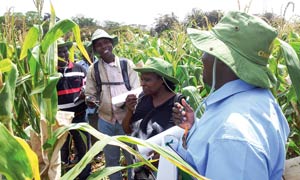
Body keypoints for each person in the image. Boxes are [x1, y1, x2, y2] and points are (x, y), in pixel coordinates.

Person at [172, 11, 291, 180]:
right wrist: (195, 127)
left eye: (207, 50)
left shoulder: (233, 137)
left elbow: (229, 144)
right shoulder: (261, 99)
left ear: (222, 59)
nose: (202, 57)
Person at [85, 29, 140, 180]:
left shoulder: (126, 65)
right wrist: (90, 100)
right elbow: (90, 92)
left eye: (106, 42)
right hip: (105, 120)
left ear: (112, 44)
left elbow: (137, 90)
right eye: (99, 44)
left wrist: (130, 102)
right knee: (111, 160)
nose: (103, 46)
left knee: (132, 158)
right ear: (95, 49)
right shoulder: (94, 69)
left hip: (127, 119)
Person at [123, 57, 180, 179]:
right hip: (139, 167)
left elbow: (184, 139)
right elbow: (128, 130)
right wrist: (129, 110)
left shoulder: (178, 104)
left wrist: (160, 157)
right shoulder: (143, 98)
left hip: (164, 170)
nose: (142, 83)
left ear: (162, 80)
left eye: (147, 80)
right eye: (142, 79)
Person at [56, 38, 91, 179]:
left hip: (79, 115)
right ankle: (63, 173)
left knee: (83, 147)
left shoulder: (80, 69)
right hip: (59, 118)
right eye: (59, 51)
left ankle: (84, 175)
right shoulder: (50, 73)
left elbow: (88, 89)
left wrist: (86, 95)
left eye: (65, 51)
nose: (63, 54)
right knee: (61, 149)